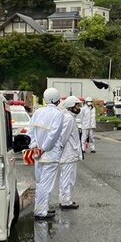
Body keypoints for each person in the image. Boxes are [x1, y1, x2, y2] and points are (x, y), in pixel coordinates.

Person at [28, 88, 65, 219]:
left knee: (40, 182)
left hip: (37, 153)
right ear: (57, 99)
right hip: (50, 154)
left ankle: (43, 207)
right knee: (46, 184)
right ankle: (40, 211)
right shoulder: (58, 114)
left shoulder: (38, 112)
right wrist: (44, 148)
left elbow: (30, 131)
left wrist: (35, 147)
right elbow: (53, 135)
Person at [58, 96, 82, 209]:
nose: (79, 108)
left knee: (71, 177)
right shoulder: (68, 119)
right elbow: (63, 137)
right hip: (68, 153)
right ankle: (64, 200)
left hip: (71, 153)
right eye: (77, 106)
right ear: (71, 107)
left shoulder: (70, 118)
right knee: (67, 177)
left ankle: (67, 199)